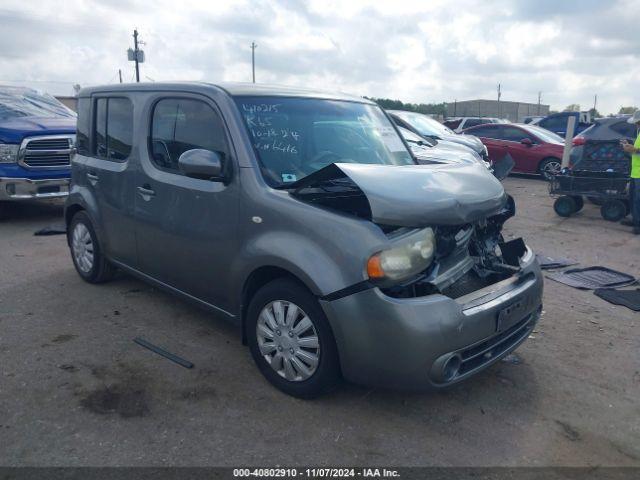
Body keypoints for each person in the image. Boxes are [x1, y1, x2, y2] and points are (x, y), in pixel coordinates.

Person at [620, 110, 640, 234]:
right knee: (633, 198)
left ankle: (638, 224)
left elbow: (638, 151)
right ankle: (635, 219)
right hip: (635, 172)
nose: (636, 125)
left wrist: (635, 150)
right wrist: (630, 147)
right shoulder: (639, 132)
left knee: (638, 199)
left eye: (637, 122)